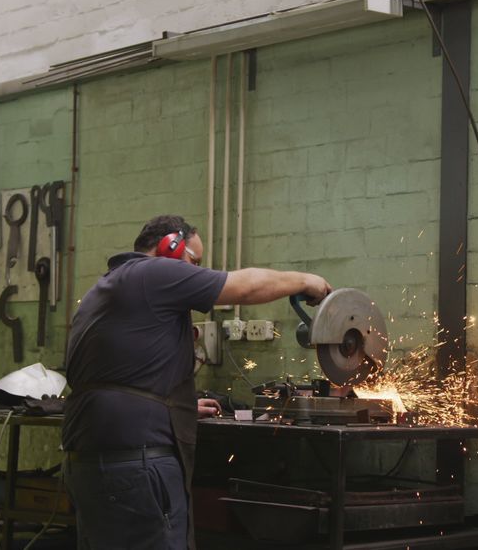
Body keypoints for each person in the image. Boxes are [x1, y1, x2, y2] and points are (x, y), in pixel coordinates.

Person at [62, 215, 331, 549]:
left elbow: (124, 375)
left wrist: (179, 408)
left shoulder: (107, 287)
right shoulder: (154, 273)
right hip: (135, 464)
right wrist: (307, 281)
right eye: (195, 260)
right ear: (169, 246)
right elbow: (245, 286)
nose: (196, 269)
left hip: (94, 461)